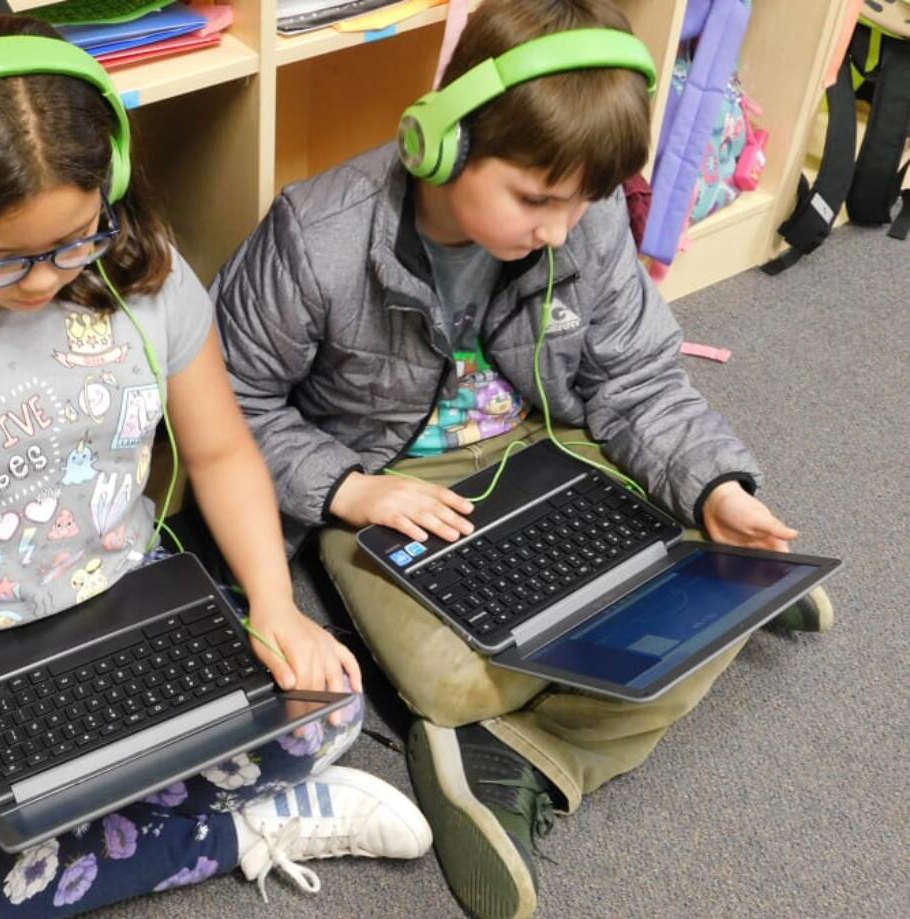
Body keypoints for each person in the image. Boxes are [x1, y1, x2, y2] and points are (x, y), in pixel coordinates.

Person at [0, 15, 432, 919]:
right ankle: (232, 833)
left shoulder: (144, 276)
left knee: (328, 702)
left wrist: (273, 604)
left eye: (75, 238)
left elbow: (223, 447)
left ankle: (83, 837)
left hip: (128, 598)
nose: (41, 280)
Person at [211, 2, 834, 918]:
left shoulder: (581, 217)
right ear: (442, 145)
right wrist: (347, 488)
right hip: (386, 484)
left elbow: (638, 380)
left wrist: (716, 483)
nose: (560, 227)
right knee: (457, 678)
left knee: (725, 559)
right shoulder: (318, 234)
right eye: (537, 200)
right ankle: (690, 620)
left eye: (580, 203)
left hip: (550, 440)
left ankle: (526, 757)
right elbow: (226, 407)